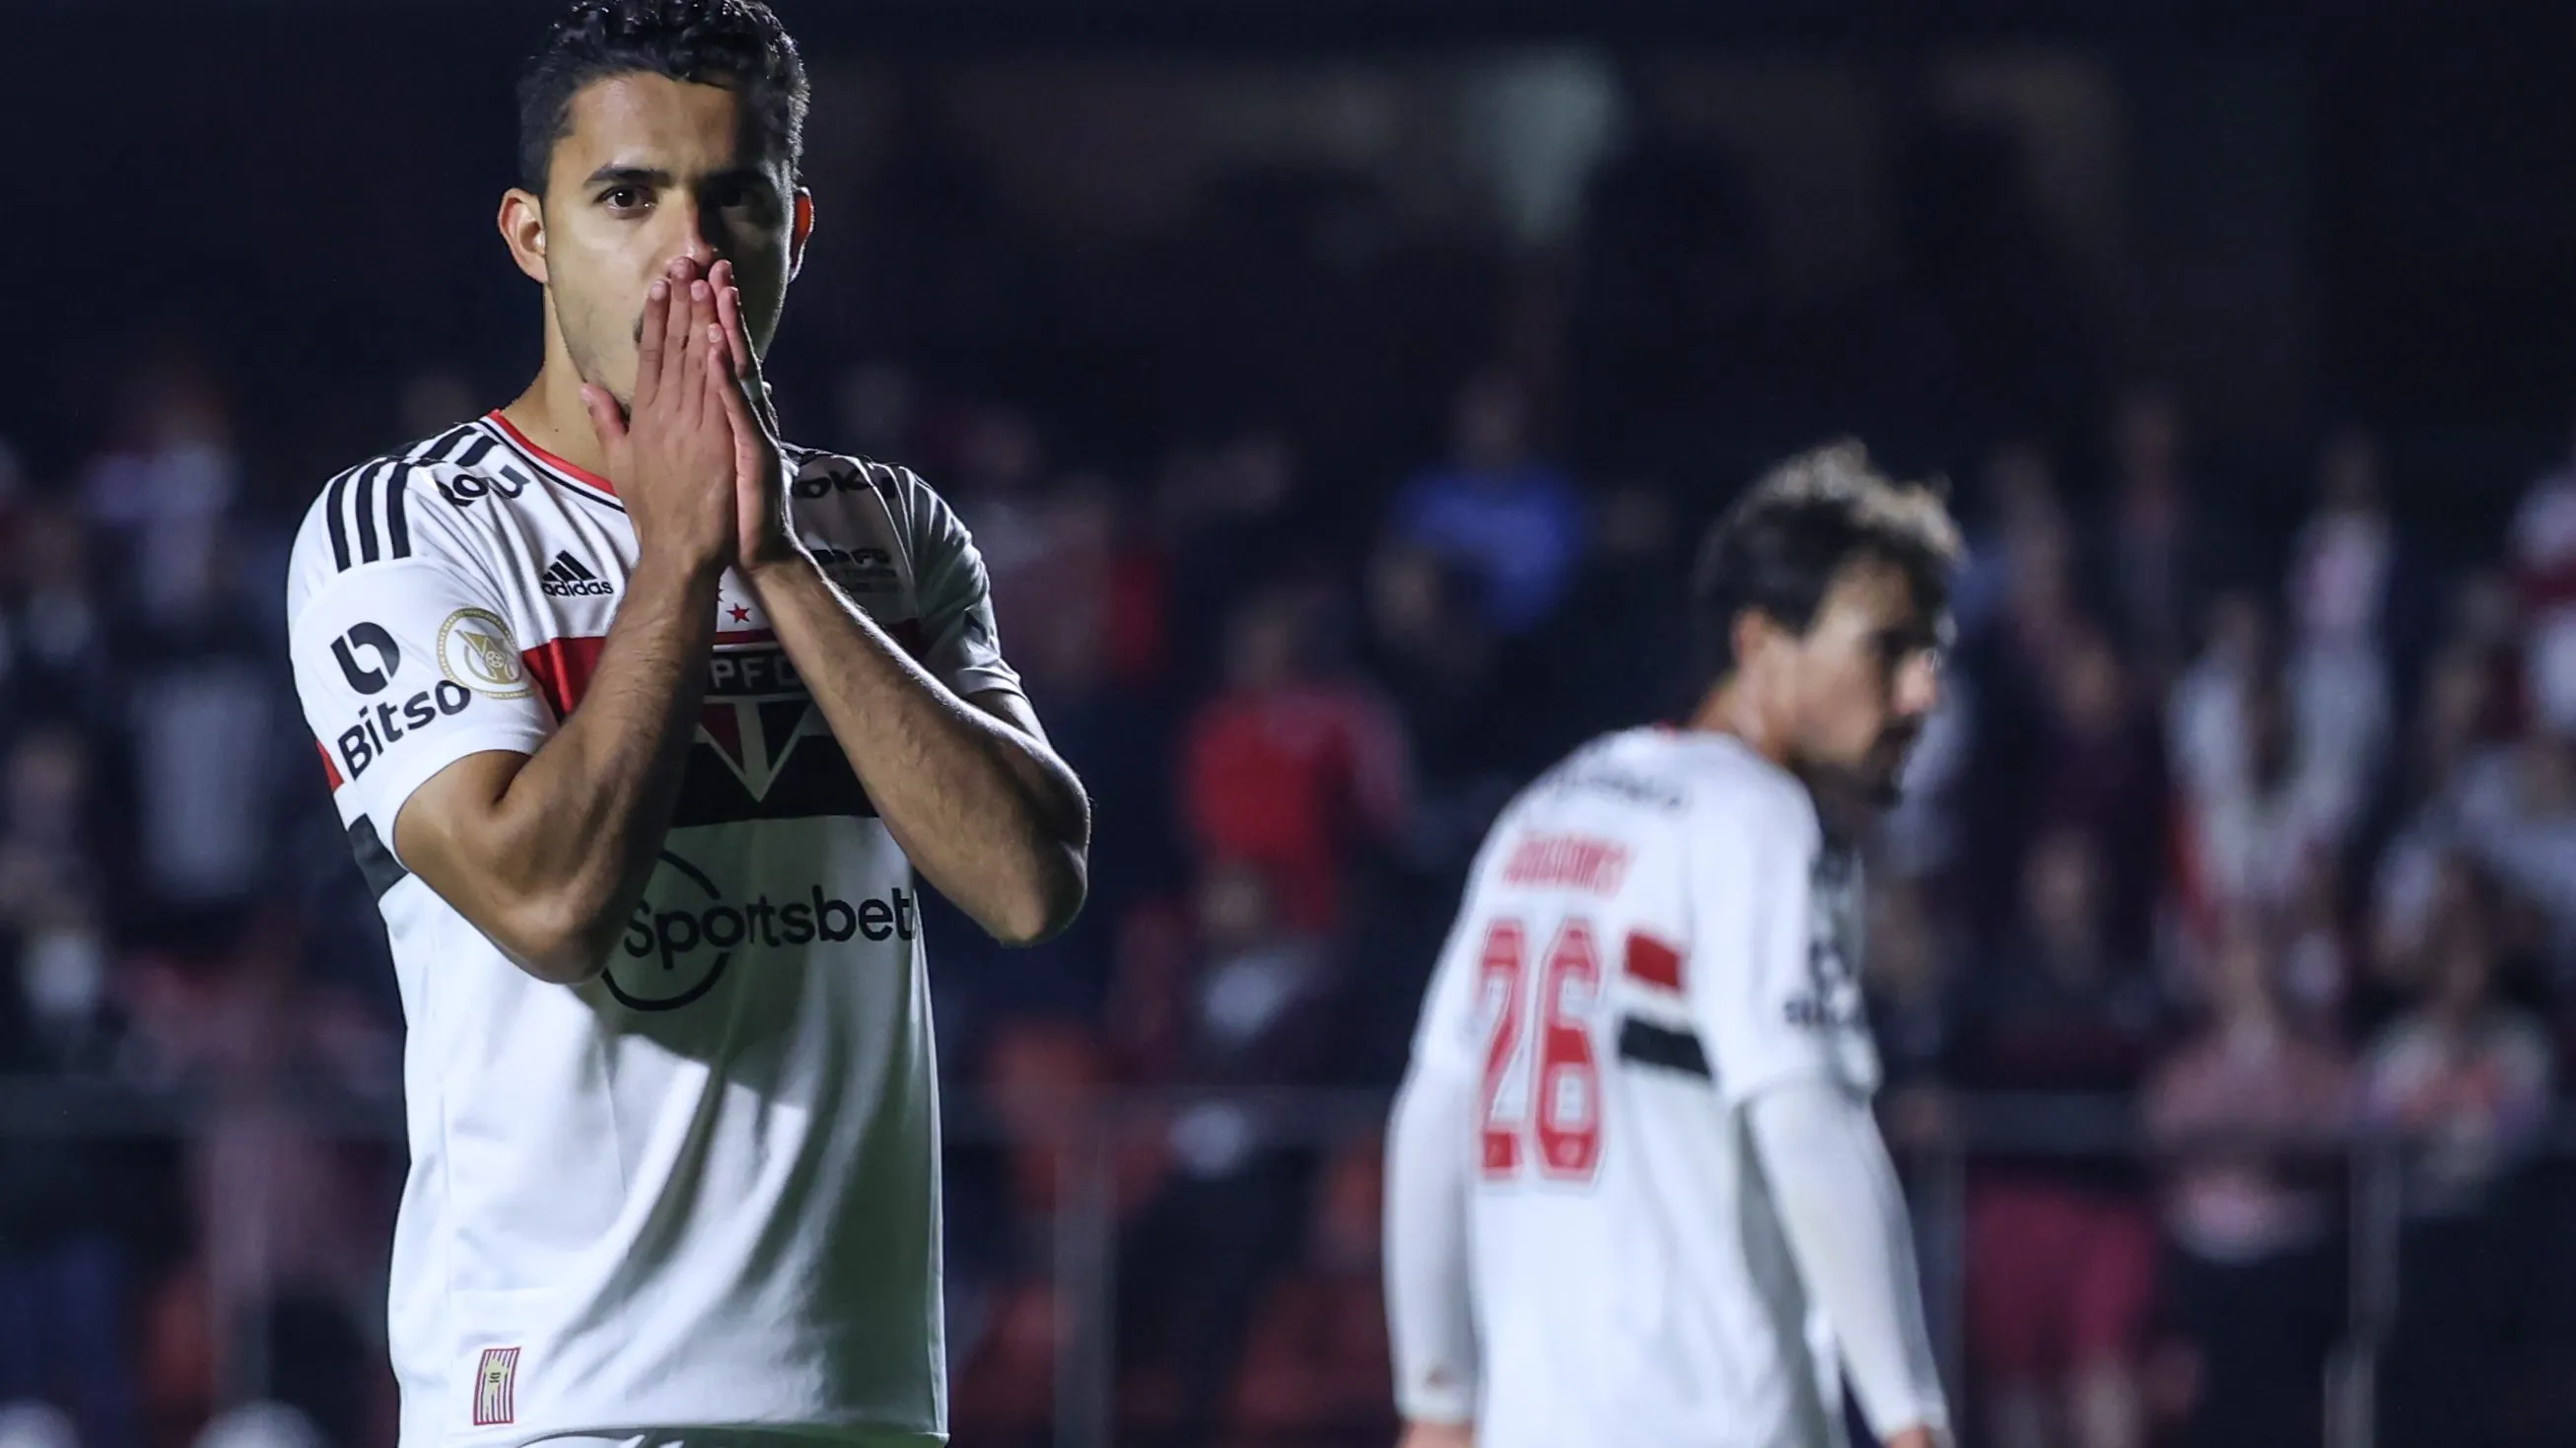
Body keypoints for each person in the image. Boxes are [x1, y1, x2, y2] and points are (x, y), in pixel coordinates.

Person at [280, 4, 1091, 1445]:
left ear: (798, 229)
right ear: (531, 234)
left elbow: (1031, 882)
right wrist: (677, 561)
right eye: (628, 196)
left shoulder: (884, 530)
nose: (690, 249)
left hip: (864, 1403)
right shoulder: (405, 530)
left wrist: (771, 557)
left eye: (735, 199)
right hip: (564, 1405)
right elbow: (548, 904)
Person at [1383, 443, 1958, 1448]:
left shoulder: (1550, 803)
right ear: (1762, 643)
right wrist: (1911, 1418)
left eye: (1929, 654)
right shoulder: (1759, 823)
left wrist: (1436, 1394)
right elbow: (1808, 1125)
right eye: (1885, 648)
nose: (1920, 693)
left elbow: (1435, 1110)